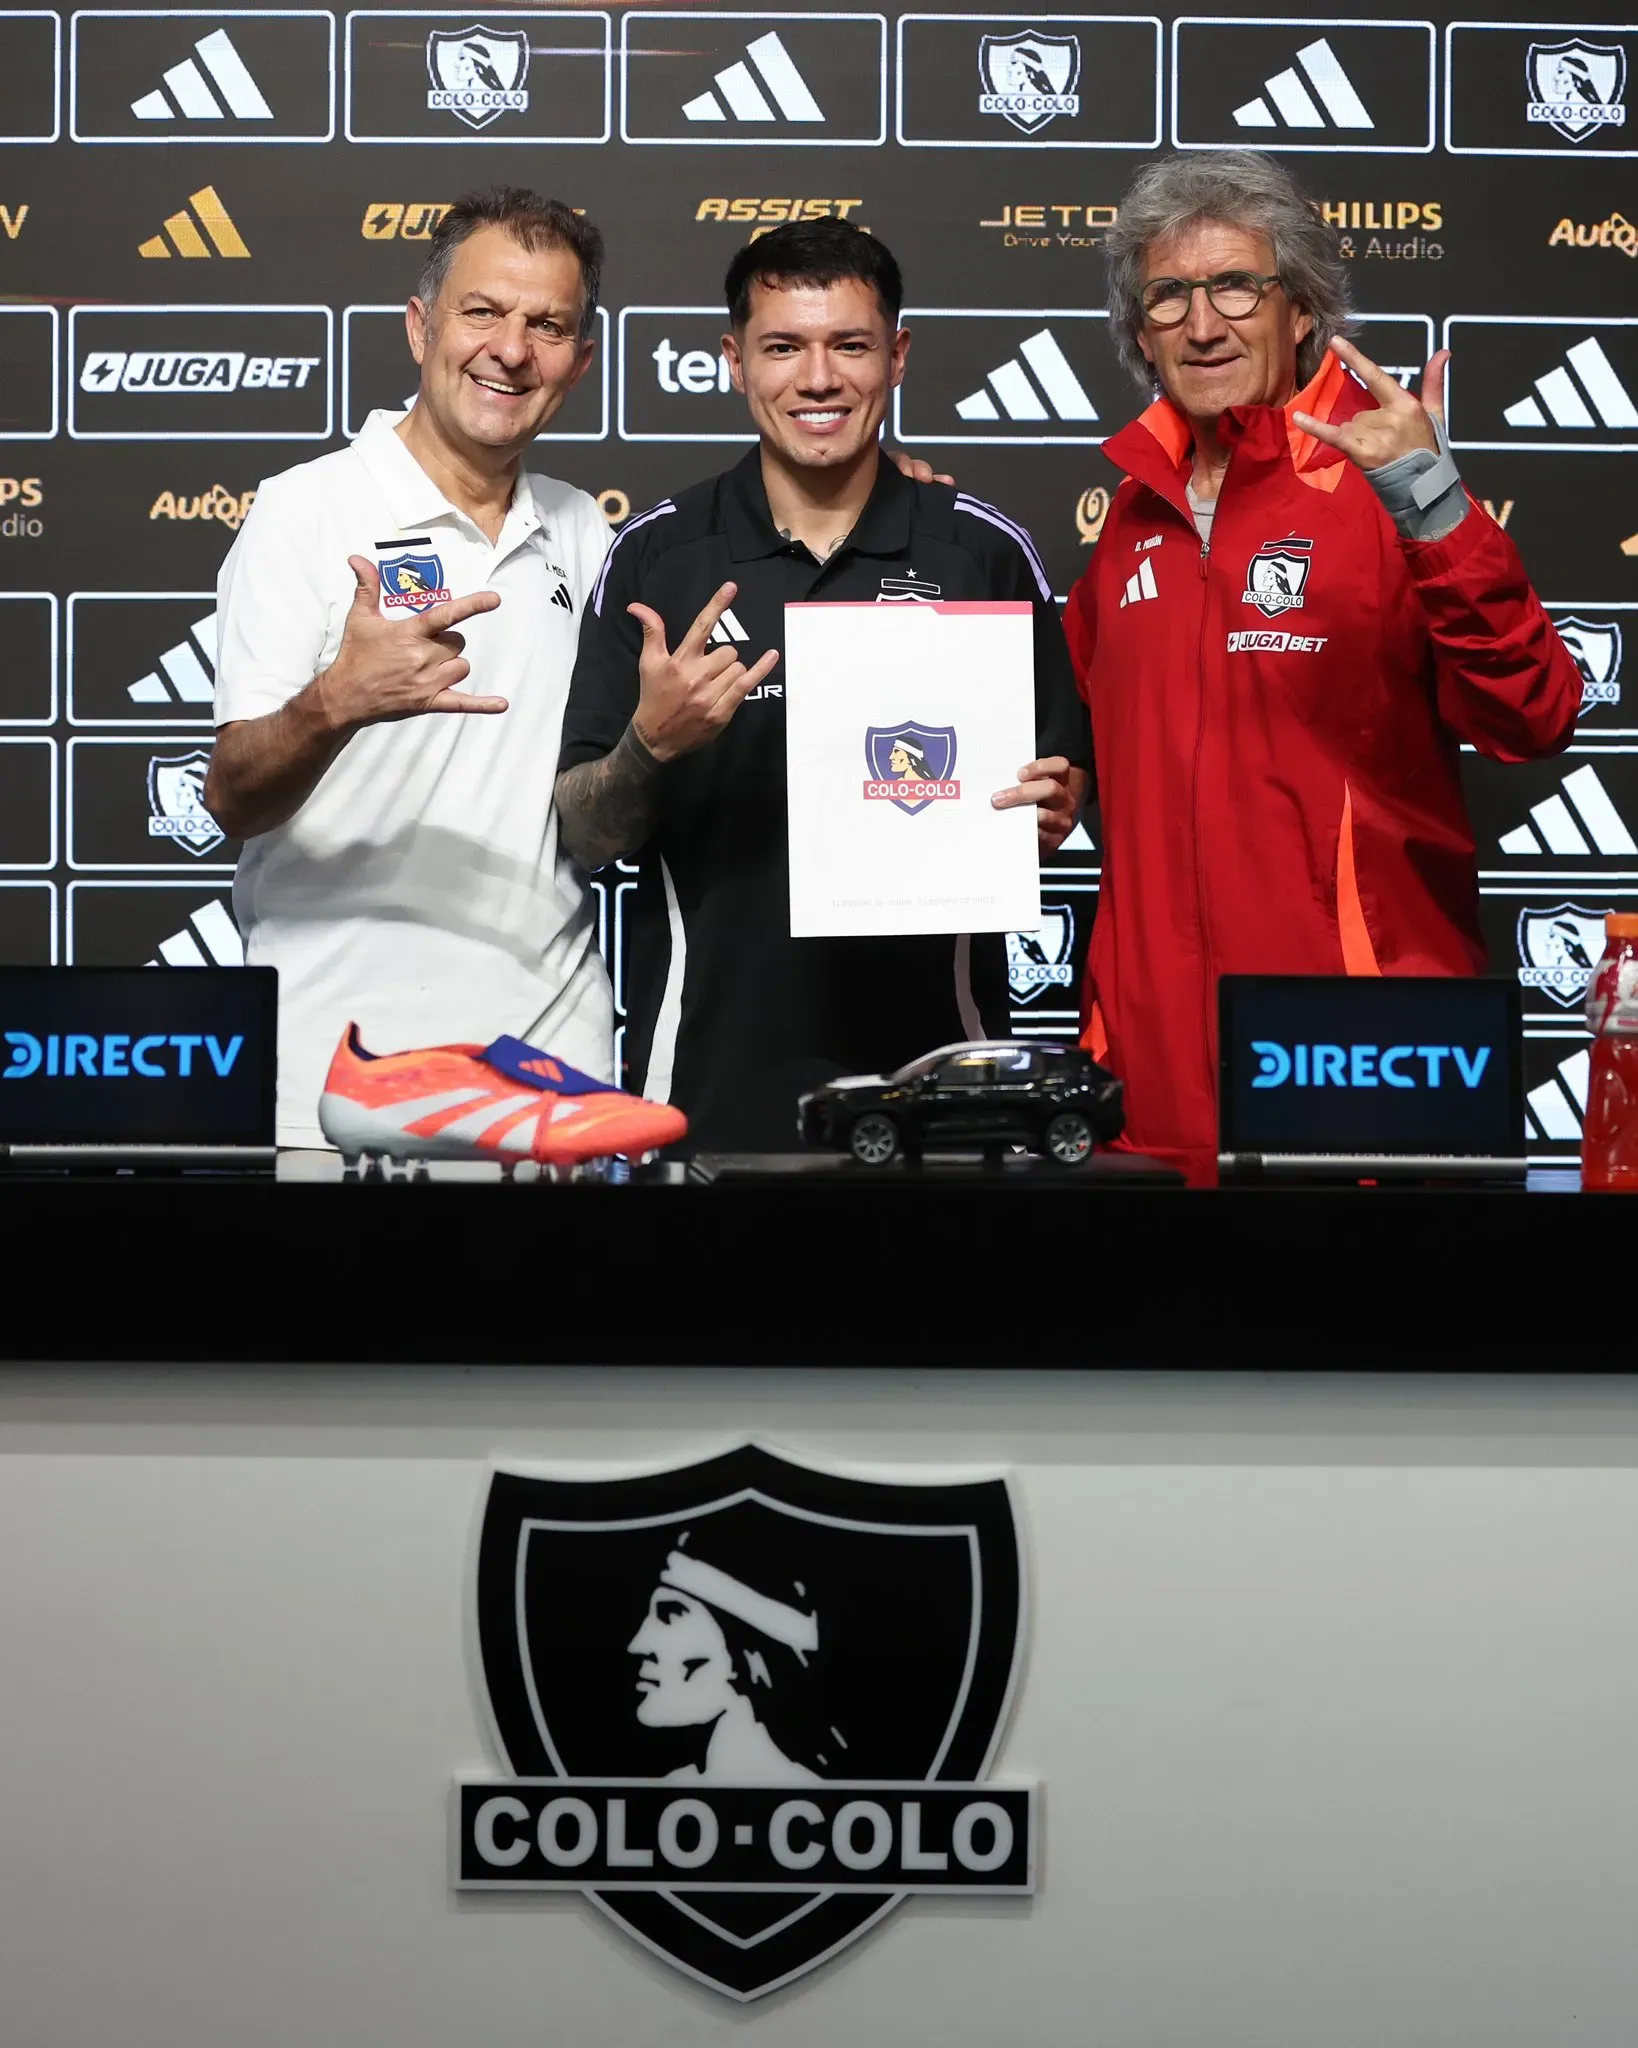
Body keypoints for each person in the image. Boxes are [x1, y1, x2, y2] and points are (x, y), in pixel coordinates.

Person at [1062, 148, 1583, 1182]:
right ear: (1140, 330)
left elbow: (1534, 716)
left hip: (1365, 1064)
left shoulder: (1390, 487)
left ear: (1300, 310)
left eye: (1235, 286)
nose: (1202, 323)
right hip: (1159, 1089)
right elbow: (1098, 739)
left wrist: (1433, 501)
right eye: (1168, 295)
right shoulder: (1132, 514)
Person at [555, 219, 1092, 1152]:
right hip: (708, 1087)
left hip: (941, 1084)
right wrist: (652, 745)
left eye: (850, 345)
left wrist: (1050, 807)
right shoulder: (657, 561)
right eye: (782, 348)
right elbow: (580, 833)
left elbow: (1062, 792)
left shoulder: (981, 552)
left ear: (898, 355)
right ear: (733, 360)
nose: (817, 379)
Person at [205, 188, 615, 1147]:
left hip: (550, 1075)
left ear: (579, 363)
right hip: (340, 1073)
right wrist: (333, 705)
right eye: (482, 311)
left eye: (546, 324)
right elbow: (231, 797)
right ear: (420, 325)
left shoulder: (582, 529)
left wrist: (877, 496)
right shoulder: (304, 513)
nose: (511, 350)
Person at [627, 1536, 826, 1784]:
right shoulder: (671, 1790)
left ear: (745, 1656)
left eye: (672, 1614)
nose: (637, 1645)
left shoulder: (816, 1804)